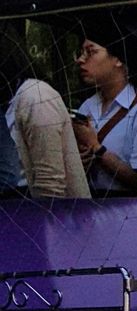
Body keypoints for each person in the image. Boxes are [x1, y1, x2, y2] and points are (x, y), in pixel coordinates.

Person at [0, 31, 89, 199]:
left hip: (48, 214)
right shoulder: (7, 102)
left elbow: (51, 184)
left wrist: (43, 224)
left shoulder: (36, 96)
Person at [73, 33, 137, 196]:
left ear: (118, 60)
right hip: (88, 207)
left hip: (128, 207)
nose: (80, 59)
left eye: (91, 52)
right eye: (81, 52)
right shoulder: (86, 107)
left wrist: (96, 148)